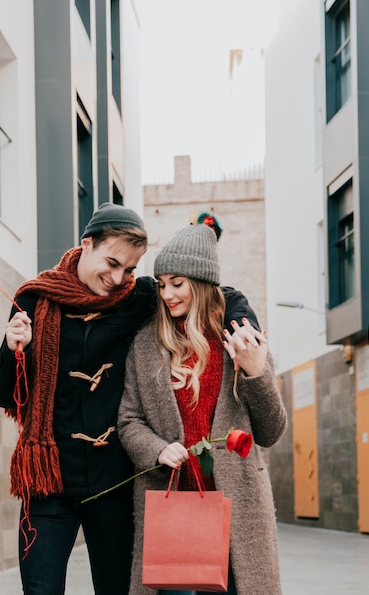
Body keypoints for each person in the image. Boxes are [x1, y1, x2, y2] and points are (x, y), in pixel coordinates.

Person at [0, 204, 261, 595]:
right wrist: (16, 351)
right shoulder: (36, 301)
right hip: (48, 486)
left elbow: (218, 292)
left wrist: (244, 327)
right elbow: (1, 392)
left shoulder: (138, 298)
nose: (118, 278)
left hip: (113, 485)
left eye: (130, 270)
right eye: (112, 263)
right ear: (87, 244)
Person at [117, 222, 287, 595]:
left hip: (236, 511)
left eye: (177, 283)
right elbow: (128, 419)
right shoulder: (147, 344)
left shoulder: (240, 338)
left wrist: (256, 371)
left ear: (201, 281)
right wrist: (157, 449)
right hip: (172, 511)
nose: (167, 294)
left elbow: (272, 431)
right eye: (161, 284)